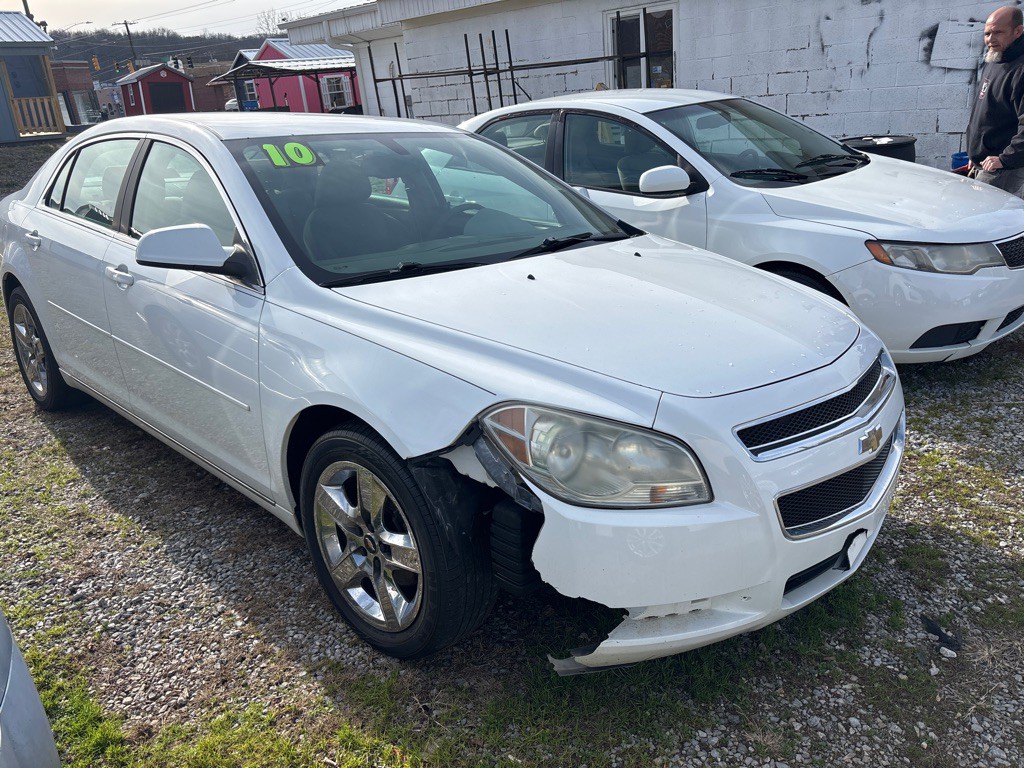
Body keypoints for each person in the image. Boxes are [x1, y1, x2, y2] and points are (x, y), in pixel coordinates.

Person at [967, 6, 1024, 196]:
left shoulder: (1021, 69)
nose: (990, 39)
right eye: (987, 33)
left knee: (988, 222)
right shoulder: (995, 59)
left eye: (998, 32)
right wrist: (974, 154)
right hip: (983, 165)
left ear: (1018, 31)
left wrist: (1004, 159)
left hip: (1003, 170)